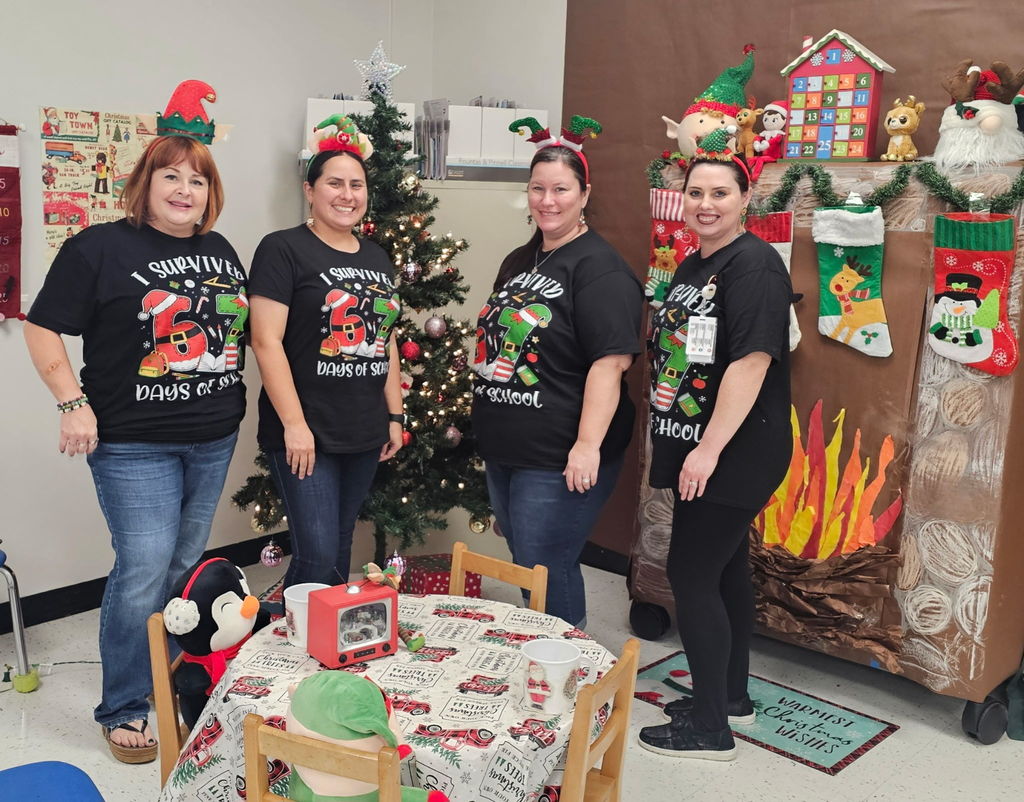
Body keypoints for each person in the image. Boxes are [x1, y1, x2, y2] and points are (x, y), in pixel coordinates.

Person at [24, 132, 246, 764]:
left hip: (213, 436)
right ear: (145, 184)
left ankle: (171, 678)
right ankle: (124, 704)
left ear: (211, 194)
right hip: (133, 444)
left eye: (197, 180)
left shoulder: (222, 249)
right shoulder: (97, 247)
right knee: (145, 567)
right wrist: (72, 403)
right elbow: (42, 326)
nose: (185, 191)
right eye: (171, 177)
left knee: (182, 566)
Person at [638, 143, 793, 761]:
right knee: (726, 569)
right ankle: (729, 698)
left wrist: (708, 450)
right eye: (696, 193)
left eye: (720, 193)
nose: (705, 205)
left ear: (745, 199)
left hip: (734, 449)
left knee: (691, 574)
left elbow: (752, 362)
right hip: (697, 442)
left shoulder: (753, 266)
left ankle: (709, 730)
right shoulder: (692, 264)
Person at [471, 116, 643, 628]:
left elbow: (610, 363)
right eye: (538, 188)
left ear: (584, 194)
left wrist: (587, 444)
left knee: (547, 566)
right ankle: (542, 657)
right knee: (530, 563)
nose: (548, 200)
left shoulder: (600, 269)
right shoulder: (519, 260)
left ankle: (567, 673)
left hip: (559, 453)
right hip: (508, 446)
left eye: (561, 189)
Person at [248, 116, 403, 591]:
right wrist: (295, 426)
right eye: (334, 182)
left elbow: (387, 338)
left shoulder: (377, 256)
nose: (347, 194)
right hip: (306, 429)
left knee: (337, 550)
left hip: (362, 428)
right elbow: (264, 339)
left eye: (357, 185)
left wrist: (394, 415)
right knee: (314, 556)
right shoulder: (282, 249)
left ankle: (324, 652)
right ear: (310, 189)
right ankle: (273, 646)